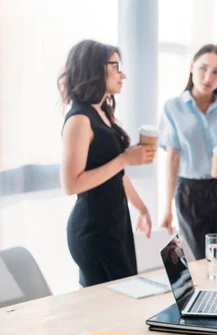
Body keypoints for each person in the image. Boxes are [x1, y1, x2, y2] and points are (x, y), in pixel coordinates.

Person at [59, 40, 156, 287]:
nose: (122, 75)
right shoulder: (79, 119)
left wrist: (141, 208)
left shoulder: (102, 112)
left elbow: (117, 173)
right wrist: (125, 157)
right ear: (94, 69)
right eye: (116, 67)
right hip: (94, 229)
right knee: (111, 307)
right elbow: (71, 184)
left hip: (114, 223)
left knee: (123, 298)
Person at [159, 44, 217, 260]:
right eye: (203, 68)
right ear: (191, 67)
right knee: (198, 257)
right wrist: (167, 207)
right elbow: (172, 159)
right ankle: (202, 294)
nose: (208, 77)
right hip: (189, 191)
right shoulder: (173, 108)